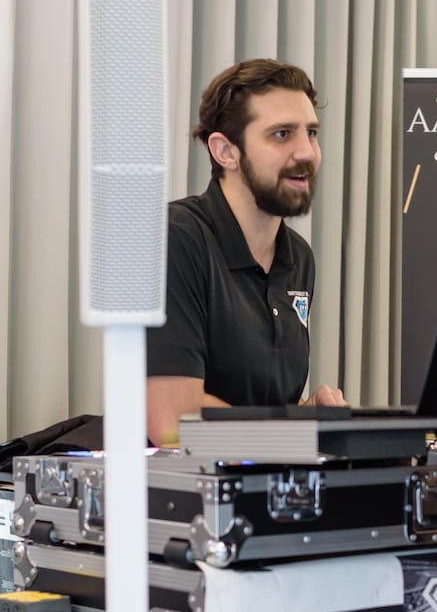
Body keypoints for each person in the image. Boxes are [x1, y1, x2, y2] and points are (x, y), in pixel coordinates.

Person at [146, 59, 345, 446]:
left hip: (269, 492)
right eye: (282, 134)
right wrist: (298, 439)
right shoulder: (174, 241)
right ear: (225, 151)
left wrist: (308, 415)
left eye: (312, 133)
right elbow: (170, 421)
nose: (306, 152)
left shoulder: (298, 257)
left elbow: (260, 401)